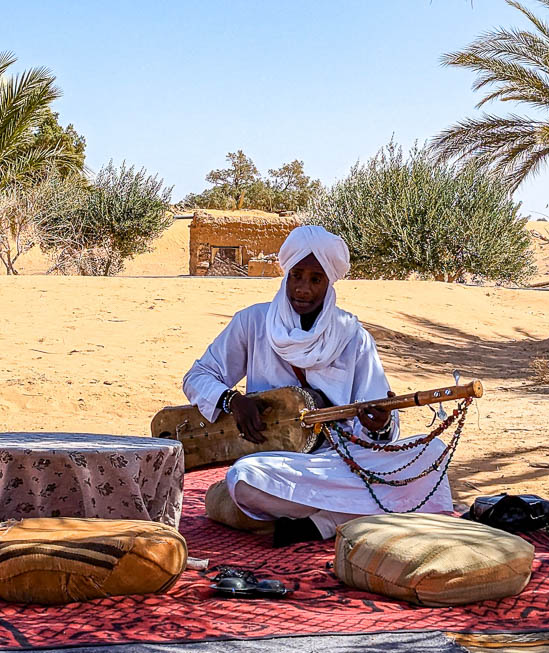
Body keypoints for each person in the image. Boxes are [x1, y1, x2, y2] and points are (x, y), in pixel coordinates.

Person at [183, 224, 454, 545]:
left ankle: (326, 521)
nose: (303, 289)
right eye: (297, 275)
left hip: (342, 460)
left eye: (315, 279)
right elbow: (196, 378)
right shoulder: (252, 323)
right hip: (279, 464)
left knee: (430, 454)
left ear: (329, 282)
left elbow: (380, 426)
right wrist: (232, 401)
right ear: (286, 274)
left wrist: (380, 424)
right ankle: (356, 514)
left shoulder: (352, 336)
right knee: (245, 481)